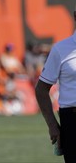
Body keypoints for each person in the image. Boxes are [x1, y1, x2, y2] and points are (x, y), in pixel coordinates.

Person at [35, 11, 76, 162]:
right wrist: (52, 125)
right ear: (75, 16)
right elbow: (41, 89)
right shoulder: (60, 49)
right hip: (72, 120)